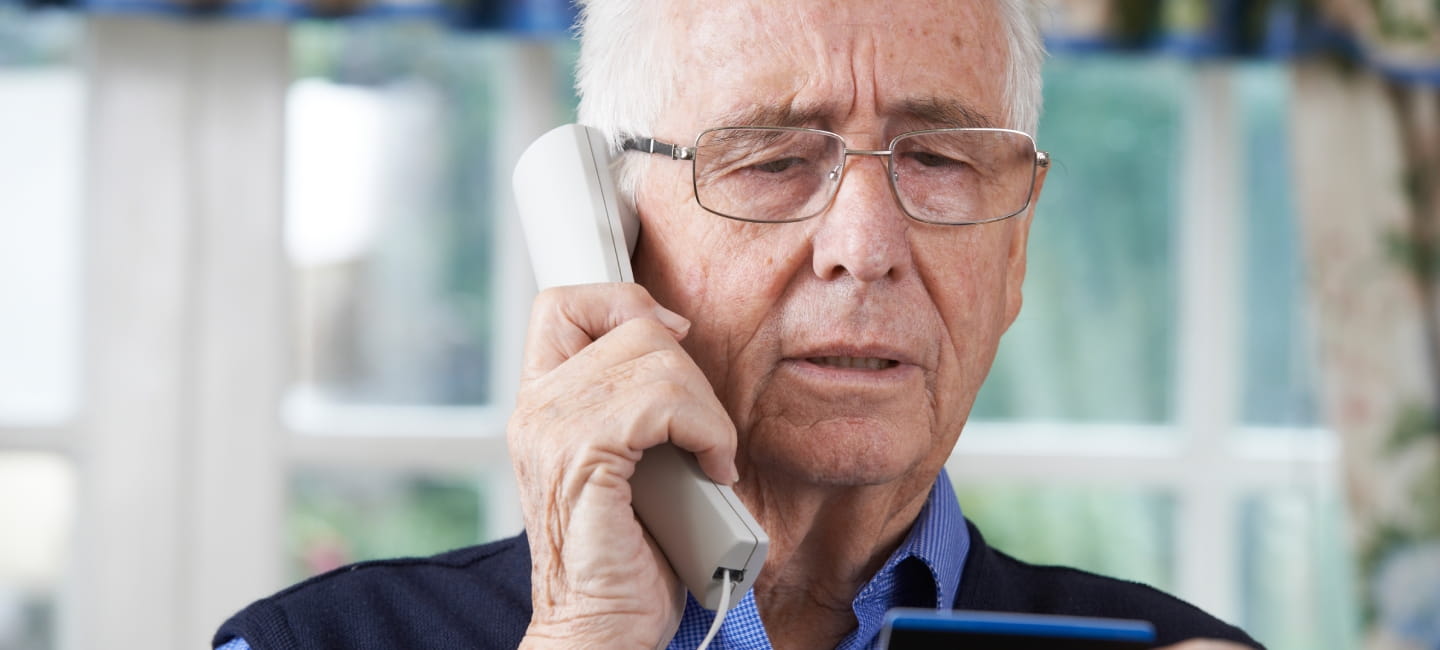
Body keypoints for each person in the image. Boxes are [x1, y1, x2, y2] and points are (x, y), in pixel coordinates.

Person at [215, 0, 1265, 648]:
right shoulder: (313, 641)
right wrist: (586, 637)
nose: (866, 244)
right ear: (612, 236)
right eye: (772, 159)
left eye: (939, 162)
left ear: (1016, 255)